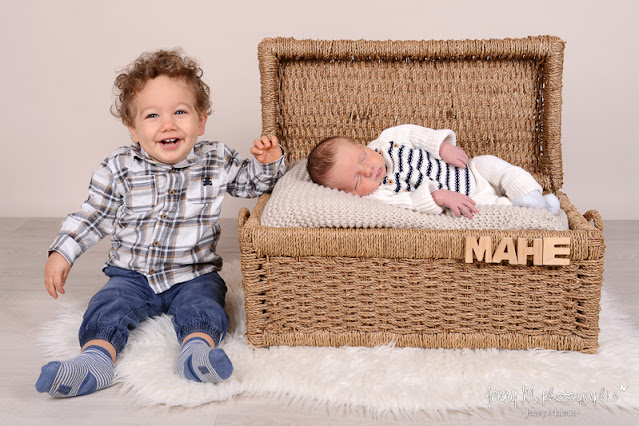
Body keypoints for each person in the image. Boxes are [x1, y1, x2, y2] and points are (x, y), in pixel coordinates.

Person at [36, 49, 285, 398]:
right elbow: (93, 214)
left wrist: (269, 163)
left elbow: (254, 186)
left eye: (180, 112)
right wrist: (62, 252)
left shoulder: (216, 159)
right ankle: (95, 361)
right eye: (152, 115)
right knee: (107, 306)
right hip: (132, 274)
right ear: (133, 129)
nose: (168, 124)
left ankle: (196, 353)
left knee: (207, 307)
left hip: (194, 273)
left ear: (201, 121)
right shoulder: (119, 167)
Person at [306, 124, 559, 219]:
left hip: (470, 172)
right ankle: (529, 213)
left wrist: (440, 147)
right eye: (357, 178)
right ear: (349, 193)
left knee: (493, 164)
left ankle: (531, 194)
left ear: (363, 145)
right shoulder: (379, 196)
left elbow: (415, 133)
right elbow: (410, 204)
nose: (369, 169)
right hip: (463, 197)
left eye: (363, 158)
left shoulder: (386, 141)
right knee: (484, 211)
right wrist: (439, 197)